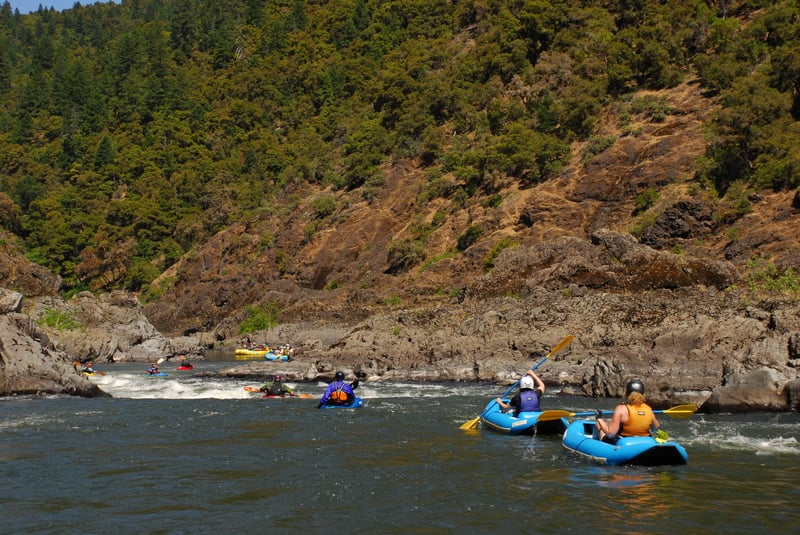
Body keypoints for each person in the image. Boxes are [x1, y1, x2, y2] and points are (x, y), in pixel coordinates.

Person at [595, 378, 660, 444]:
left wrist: (599, 418)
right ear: (643, 394)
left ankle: (596, 443)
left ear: (627, 393)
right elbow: (656, 428)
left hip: (624, 442)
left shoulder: (621, 409)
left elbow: (610, 433)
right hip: (645, 441)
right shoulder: (648, 409)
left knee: (598, 424)